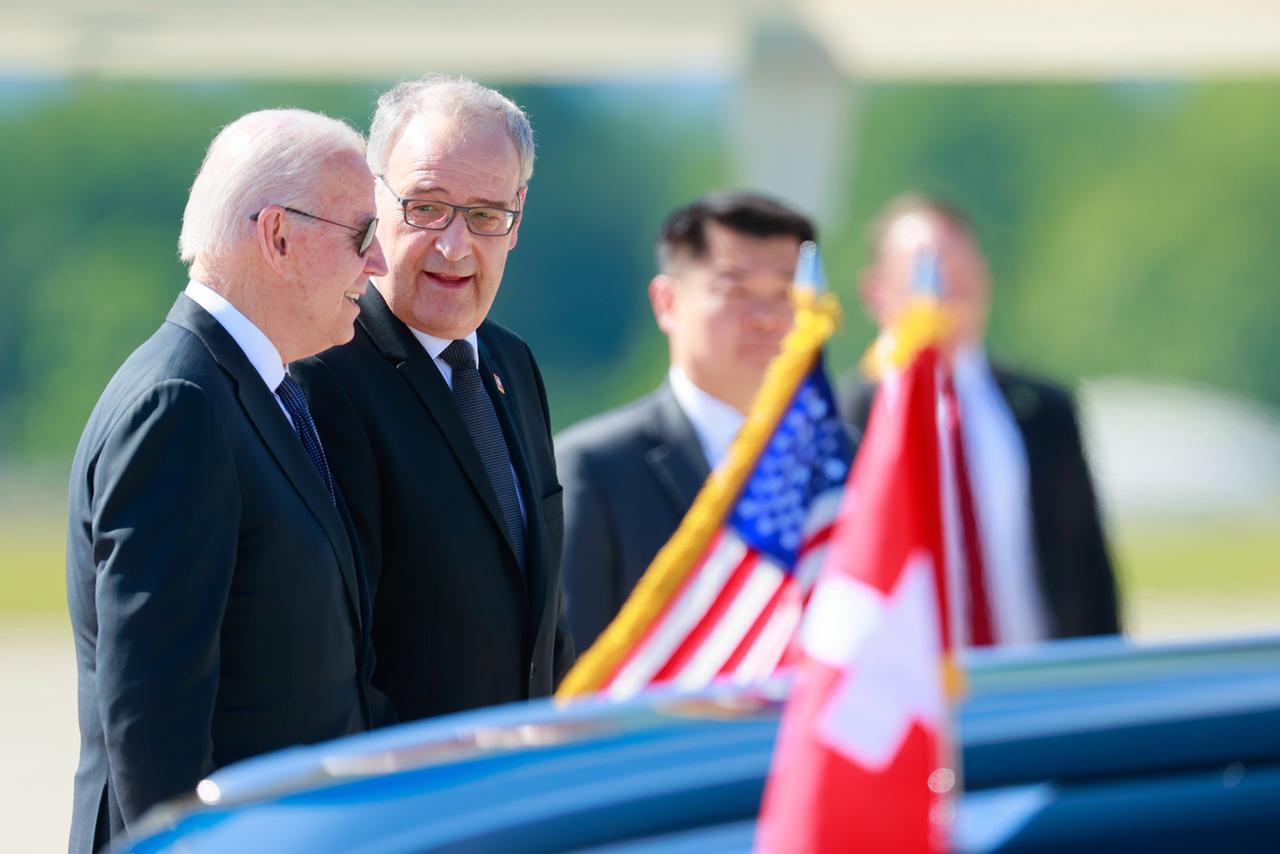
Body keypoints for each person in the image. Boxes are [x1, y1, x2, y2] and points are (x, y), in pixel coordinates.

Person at [66, 109, 389, 852]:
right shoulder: (181, 405)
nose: (376, 265)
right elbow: (154, 719)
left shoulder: (253, 390)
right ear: (277, 235)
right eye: (362, 235)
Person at [293, 76, 572, 724]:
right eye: (426, 206)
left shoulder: (514, 365)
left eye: (485, 215)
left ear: (517, 217)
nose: (455, 246)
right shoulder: (321, 373)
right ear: (372, 197)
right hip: (415, 798)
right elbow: (333, 657)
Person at [839, 194, 1121, 644]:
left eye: (963, 266)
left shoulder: (1041, 408)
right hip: (907, 696)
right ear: (876, 290)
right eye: (927, 268)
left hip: (1038, 683)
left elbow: (1088, 568)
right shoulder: (848, 417)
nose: (949, 282)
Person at [555, 192, 816, 651]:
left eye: (785, 292)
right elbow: (575, 668)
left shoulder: (847, 459)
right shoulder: (595, 470)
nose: (767, 319)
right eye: (734, 290)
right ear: (667, 302)